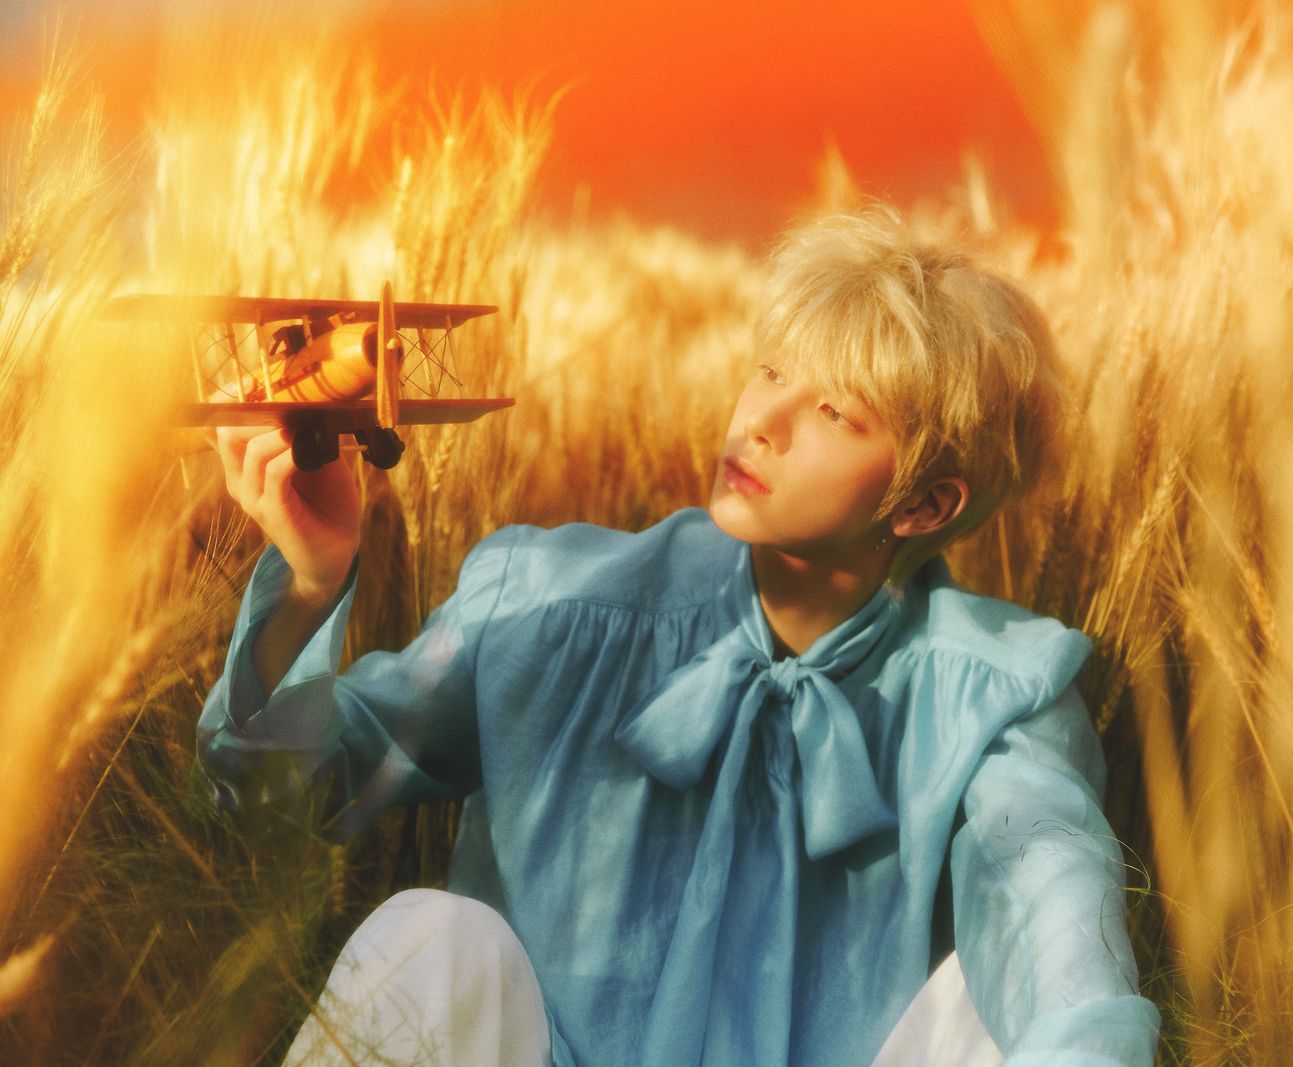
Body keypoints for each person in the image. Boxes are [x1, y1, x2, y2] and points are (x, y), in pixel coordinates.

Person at [199, 207, 1161, 1066]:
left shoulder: (999, 696)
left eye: (832, 411)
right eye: (772, 370)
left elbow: (1060, 945)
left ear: (923, 504)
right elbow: (286, 800)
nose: (761, 421)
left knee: (989, 1017)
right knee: (432, 936)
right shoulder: (554, 603)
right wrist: (312, 579)